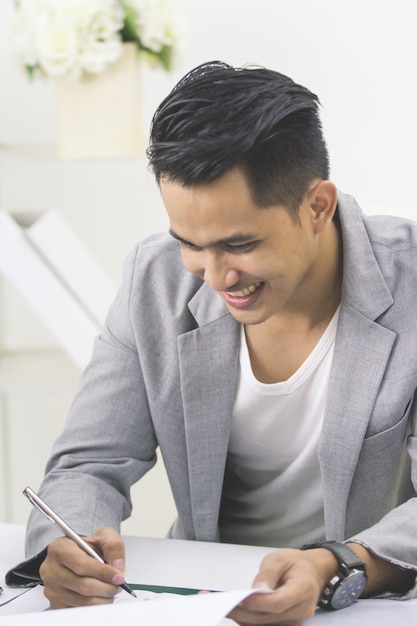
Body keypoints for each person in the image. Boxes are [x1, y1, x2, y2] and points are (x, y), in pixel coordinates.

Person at [15, 61, 417, 622]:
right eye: (190, 243)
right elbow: (90, 460)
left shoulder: (411, 282)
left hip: (367, 603)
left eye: (240, 244)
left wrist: (336, 567)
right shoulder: (155, 281)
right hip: (201, 602)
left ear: (318, 207)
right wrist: (69, 548)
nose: (215, 275)